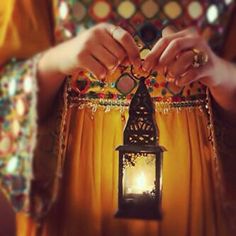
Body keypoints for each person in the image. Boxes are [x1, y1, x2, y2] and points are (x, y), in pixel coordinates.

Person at [0, 0, 236, 236]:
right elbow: (6, 89)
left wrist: (219, 73)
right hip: (76, 184)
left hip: (196, 184)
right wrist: (58, 60)